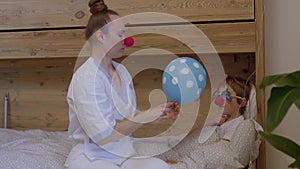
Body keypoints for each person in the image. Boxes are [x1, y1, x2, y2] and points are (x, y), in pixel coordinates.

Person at [64, 0, 180, 169]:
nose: (126, 40)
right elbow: (102, 135)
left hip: (123, 155)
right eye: (120, 35)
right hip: (92, 158)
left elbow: (129, 117)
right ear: (100, 36)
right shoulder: (86, 78)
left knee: (159, 166)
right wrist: (146, 115)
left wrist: (157, 115)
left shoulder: (122, 71)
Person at [156, 75, 262, 169]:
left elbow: (219, 157)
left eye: (225, 95)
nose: (219, 100)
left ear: (242, 102)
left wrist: (179, 163)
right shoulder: (217, 123)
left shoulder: (240, 127)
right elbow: (188, 139)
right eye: (218, 94)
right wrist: (211, 121)